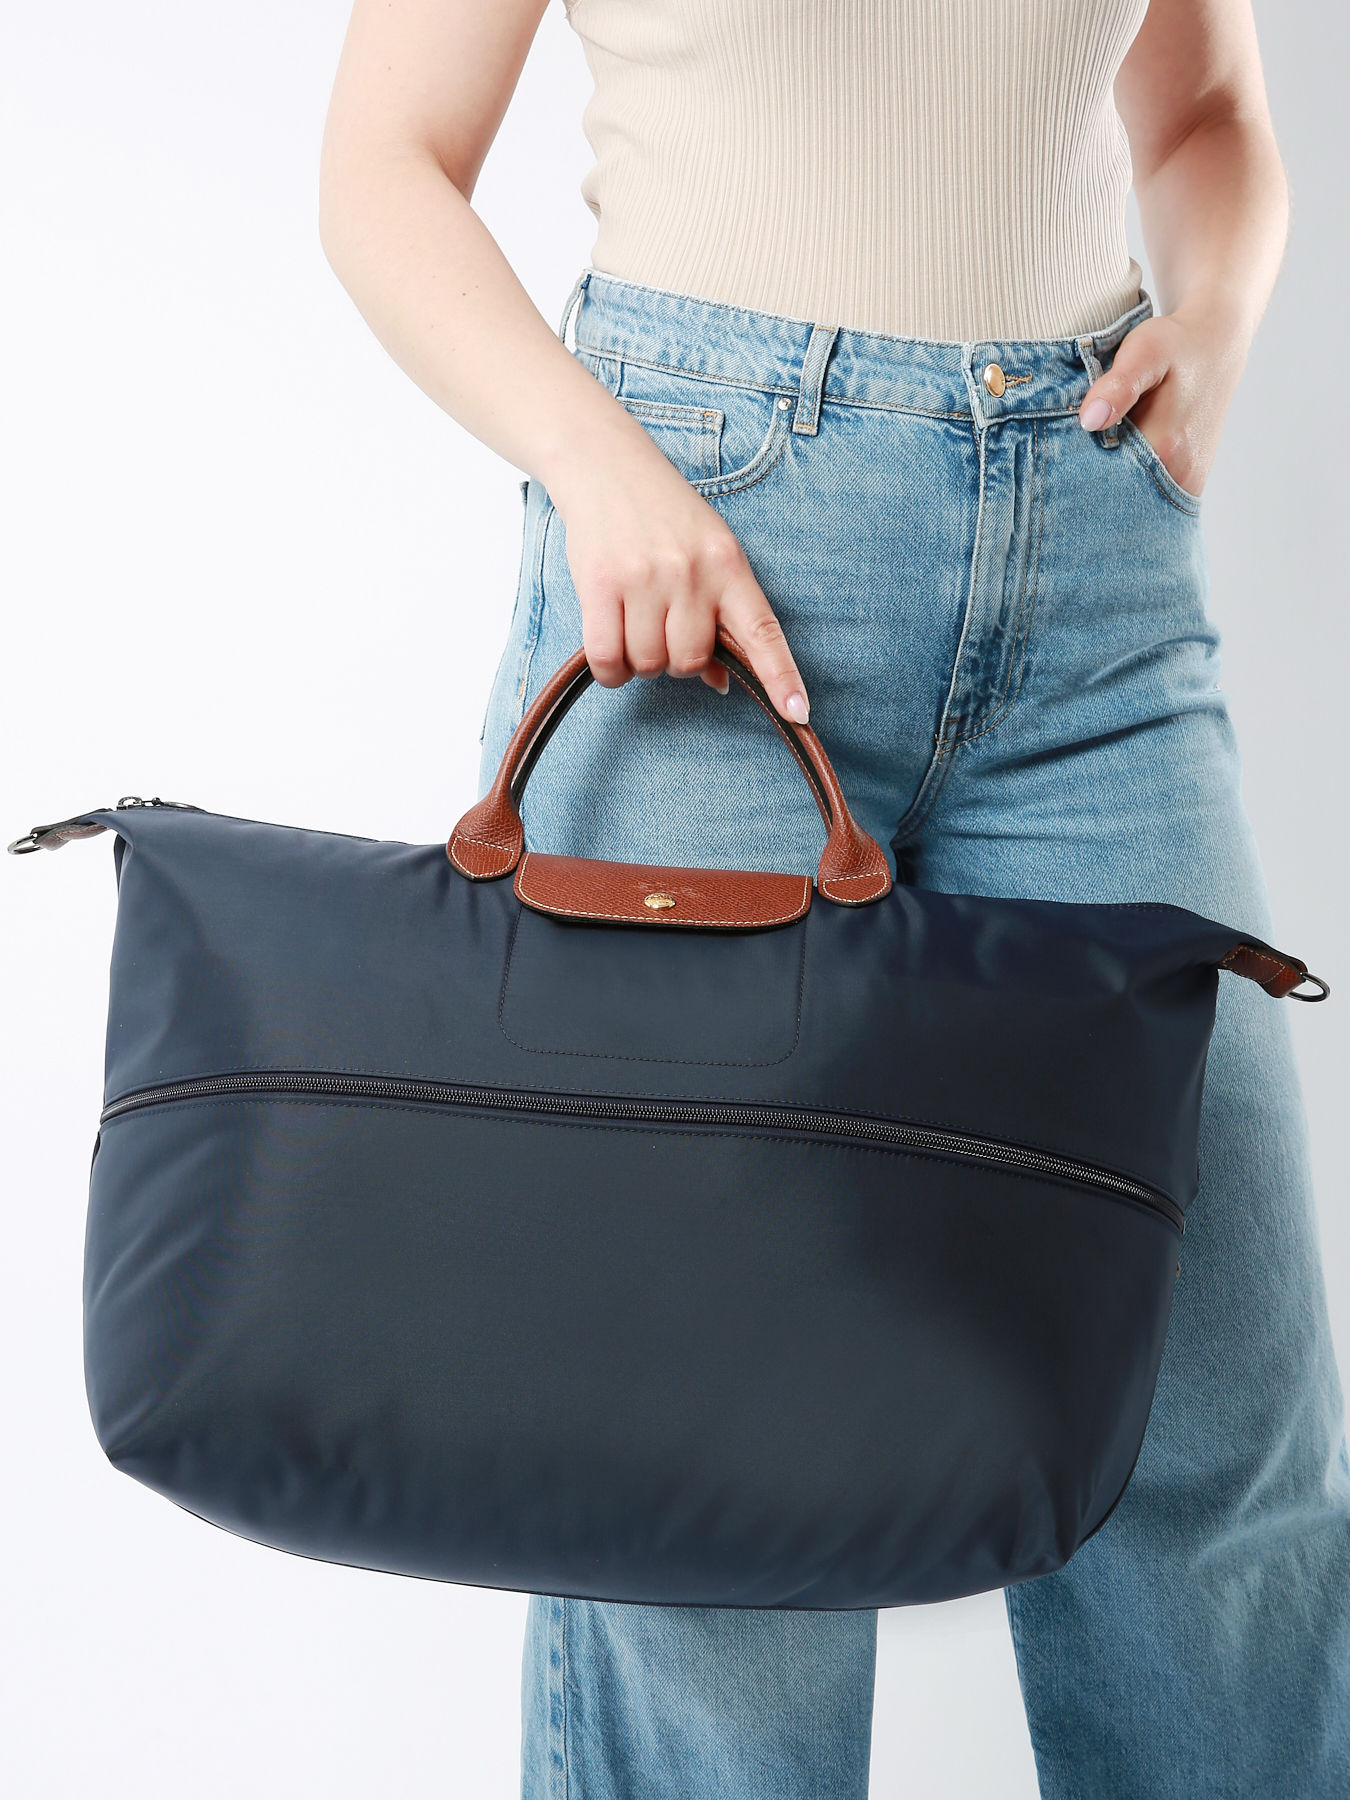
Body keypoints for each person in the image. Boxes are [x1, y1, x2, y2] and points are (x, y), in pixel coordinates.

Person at [316, 2, 1350, 1793]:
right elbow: (382, 165)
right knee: (708, 1467)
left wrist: (1218, 322)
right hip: (696, 564)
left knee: (1208, 1428)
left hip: (1094, 571)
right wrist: (594, 461)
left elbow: (1203, 115)